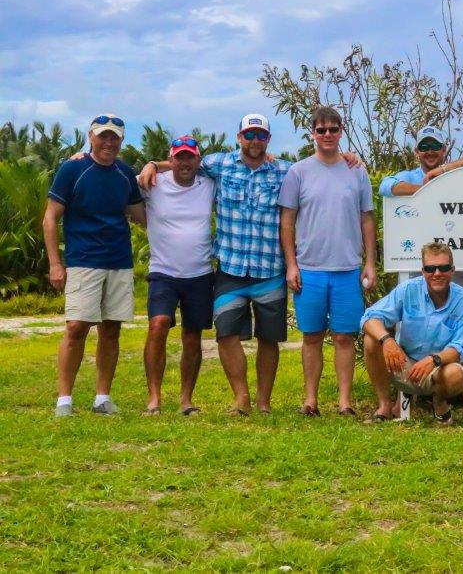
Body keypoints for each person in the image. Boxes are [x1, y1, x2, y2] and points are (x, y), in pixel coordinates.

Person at [139, 113, 305, 415]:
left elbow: (313, 175)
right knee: (226, 334)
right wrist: (153, 164)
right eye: (249, 135)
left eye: (261, 136)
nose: (255, 141)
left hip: (270, 268)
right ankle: (241, 398)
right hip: (230, 266)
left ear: (268, 140)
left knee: (269, 339)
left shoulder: (285, 171)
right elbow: (184, 165)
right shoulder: (220, 164)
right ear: (239, 137)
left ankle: (264, 402)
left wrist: (347, 158)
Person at [378, 125, 463, 420]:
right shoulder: (409, 177)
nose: (429, 152)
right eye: (424, 147)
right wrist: (426, 190)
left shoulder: (457, 173)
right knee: (410, 331)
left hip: (457, 264)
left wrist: (445, 172)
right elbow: (385, 187)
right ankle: (401, 403)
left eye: (435, 147)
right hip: (423, 268)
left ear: (444, 150)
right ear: (416, 152)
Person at [43, 114, 145, 416]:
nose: (108, 142)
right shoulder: (73, 169)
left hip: (119, 261)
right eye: (103, 136)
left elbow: (141, 216)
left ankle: (102, 397)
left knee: (111, 329)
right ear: (91, 136)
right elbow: (50, 218)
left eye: (114, 137)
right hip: (83, 261)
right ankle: (64, 399)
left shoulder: (126, 174)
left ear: (122, 140)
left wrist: (156, 166)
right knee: (76, 327)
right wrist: (55, 264)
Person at [279, 106, 376, 417]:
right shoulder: (298, 172)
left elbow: (367, 219)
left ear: (341, 131)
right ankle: (311, 400)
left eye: (333, 129)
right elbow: (287, 220)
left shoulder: (356, 171)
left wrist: (370, 262)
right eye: (321, 130)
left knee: (345, 336)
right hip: (309, 268)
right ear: (313, 134)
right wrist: (291, 264)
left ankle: (345, 402)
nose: (327, 135)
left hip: (347, 269)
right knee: (312, 336)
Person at [140, 135, 216, 416]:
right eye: (179, 157)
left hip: (199, 273)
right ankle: (154, 398)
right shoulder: (152, 184)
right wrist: (150, 165)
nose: (184, 163)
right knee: (158, 325)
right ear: (170, 159)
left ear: (198, 160)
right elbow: (115, 174)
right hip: (163, 271)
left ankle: (186, 399)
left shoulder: (208, 184)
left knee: (192, 336)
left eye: (190, 157)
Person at [360, 242, 463, 424]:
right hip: (402, 363)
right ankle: (384, 407)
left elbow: (459, 348)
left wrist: (433, 360)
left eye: (443, 268)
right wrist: (388, 340)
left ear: (452, 270)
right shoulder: (408, 289)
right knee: (371, 341)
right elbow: (369, 318)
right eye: (430, 268)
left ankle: (439, 402)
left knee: (456, 374)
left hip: (437, 369)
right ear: (422, 271)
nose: (437, 274)